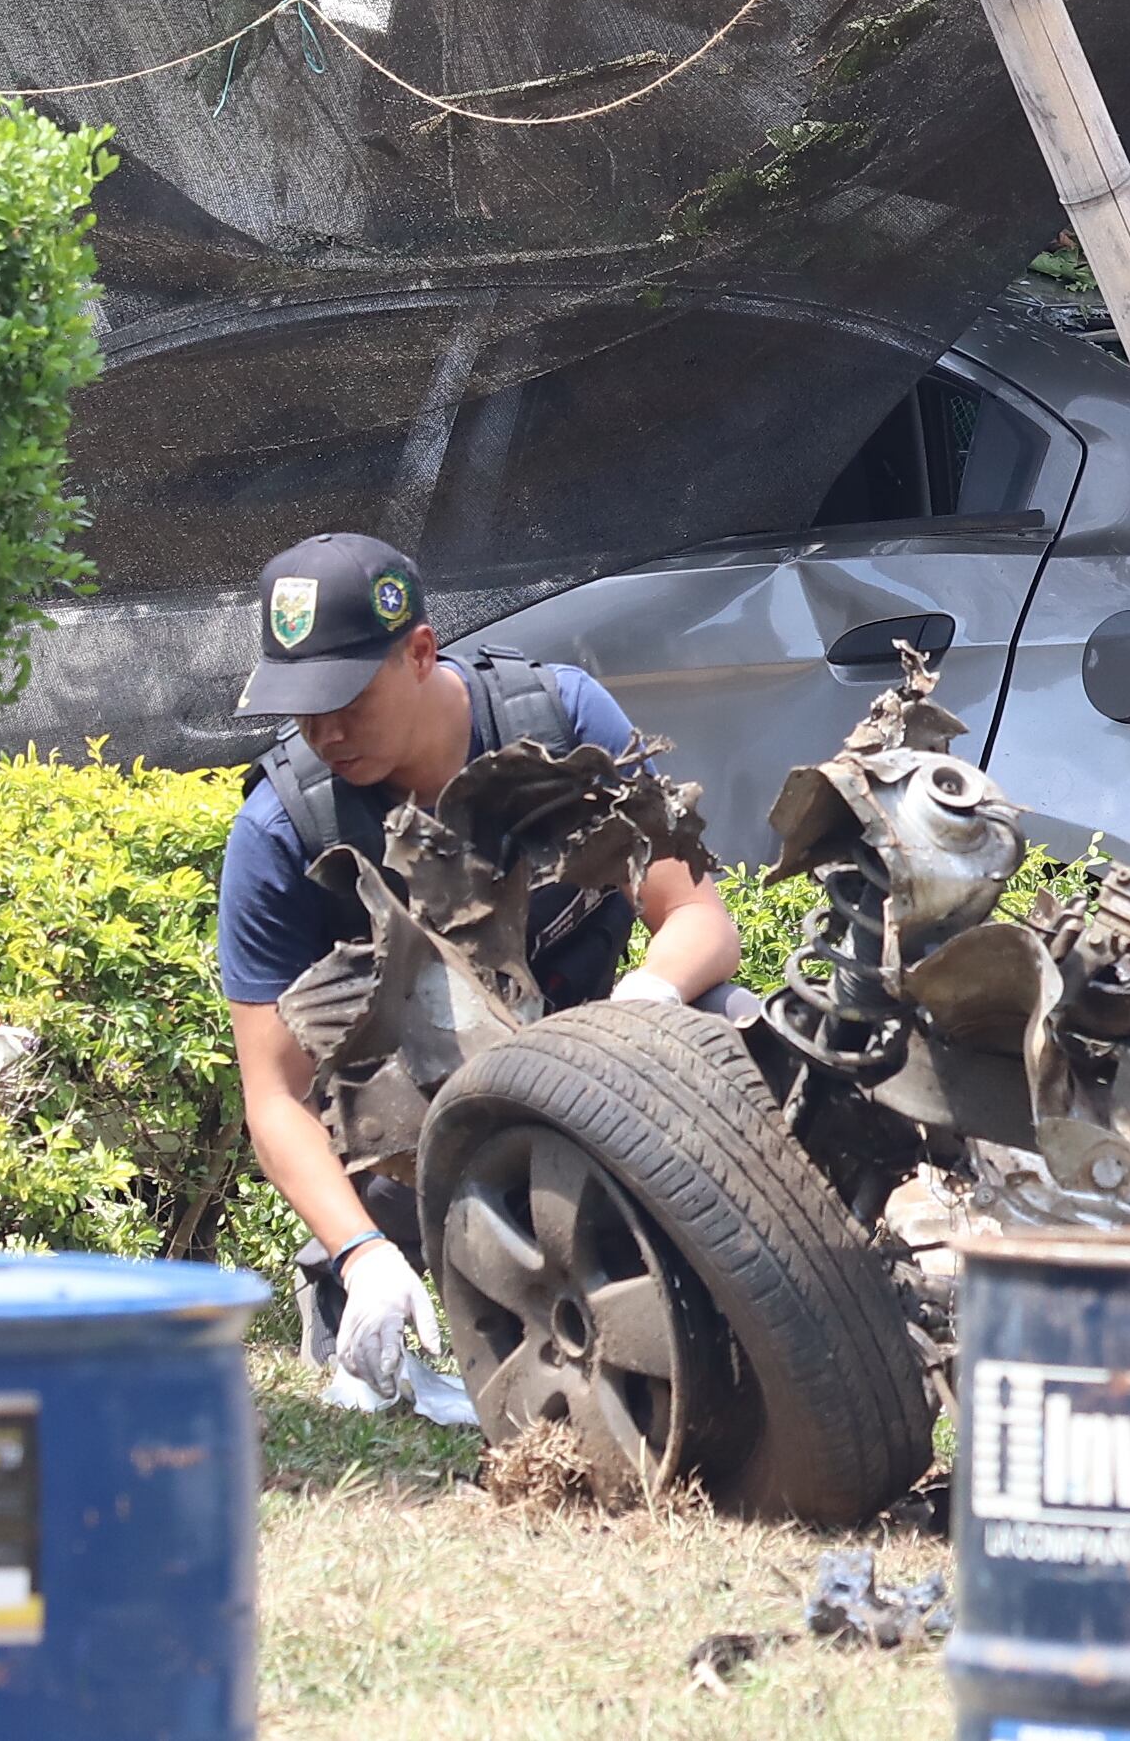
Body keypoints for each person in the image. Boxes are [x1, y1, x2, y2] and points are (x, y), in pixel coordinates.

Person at [217, 532, 740, 1396]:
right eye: (302, 705)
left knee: (735, 1024)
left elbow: (696, 917)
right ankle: (354, 1277)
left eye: (347, 695)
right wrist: (363, 1254)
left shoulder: (561, 727)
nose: (327, 731)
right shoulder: (283, 833)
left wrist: (646, 1002)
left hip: (607, 1075)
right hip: (422, 1151)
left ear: (420, 652)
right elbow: (274, 1097)